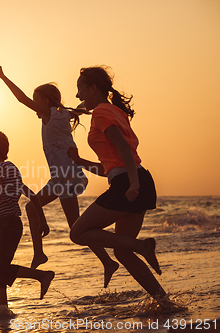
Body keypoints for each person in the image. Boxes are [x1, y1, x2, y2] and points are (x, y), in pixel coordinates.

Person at [0, 64, 119, 288]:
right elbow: (81, 108)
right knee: (76, 226)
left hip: (64, 176)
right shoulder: (64, 114)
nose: (34, 106)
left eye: (37, 101)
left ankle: (39, 252)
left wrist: (3, 77)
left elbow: (21, 99)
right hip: (67, 175)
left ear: (47, 102)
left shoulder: (51, 114)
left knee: (32, 207)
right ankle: (108, 262)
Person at [67, 65, 166, 300]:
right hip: (137, 178)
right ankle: (165, 302)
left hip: (129, 182)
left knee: (78, 233)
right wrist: (80, 161)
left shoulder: (102, 113)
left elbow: (122, 147)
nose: (77, 95)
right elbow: (111, 167)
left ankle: (142, 246)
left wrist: (132, 184)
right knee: (122, 251)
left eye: (80, 89)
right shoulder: (112, 111)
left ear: (93, 88)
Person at [0, 130, 55, 312]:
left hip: (7, 224)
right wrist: (42, 222)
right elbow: (33, 196)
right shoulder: (12, 168)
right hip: (12, 225)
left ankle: (42, 276)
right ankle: (3, 311)